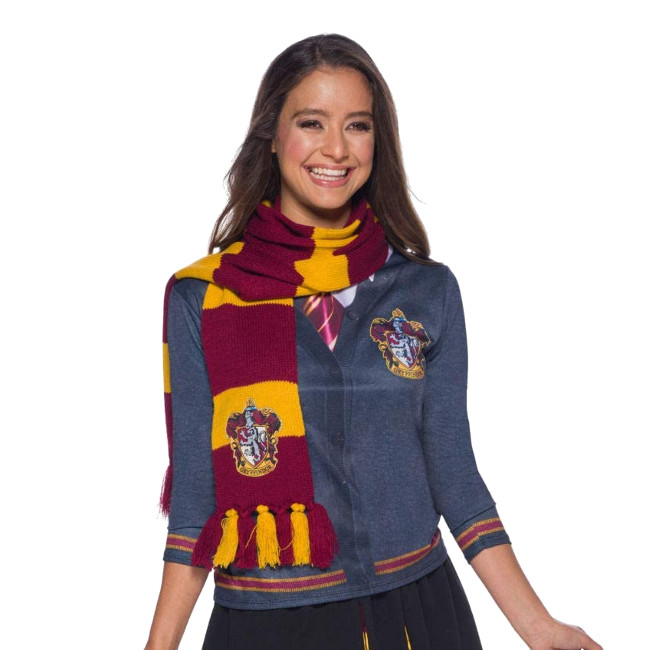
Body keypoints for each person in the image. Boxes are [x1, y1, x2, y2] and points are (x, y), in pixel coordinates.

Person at [145, 34, 602, 650]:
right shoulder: (202, 299)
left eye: (357, 125)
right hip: (267, 622)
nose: (336, 149)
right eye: (311, 122)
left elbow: (454, 473)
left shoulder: (427, 292)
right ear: (272, 135)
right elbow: (197, 499)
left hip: (417, 615)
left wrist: (539, 627)